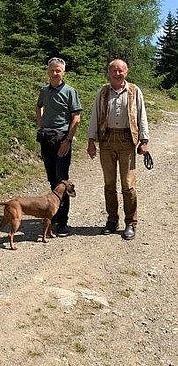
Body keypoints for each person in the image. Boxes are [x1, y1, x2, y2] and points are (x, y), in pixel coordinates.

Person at [87, 59, 149, 240]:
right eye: (114, 70)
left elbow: (141, 114)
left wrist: (144, 140)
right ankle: (112, 220)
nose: (117, 73)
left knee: (128, 185)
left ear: (126, 72)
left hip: (126, 140)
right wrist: (91, 140)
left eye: (120, 70)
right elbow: (95, 115)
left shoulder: (134, 91)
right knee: (109, 184)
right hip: (106, 141)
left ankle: (130, 222)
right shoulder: (103, 92)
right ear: (109, 72)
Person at [36, 57, 82, 237]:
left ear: (63, 73)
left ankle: (62, 222)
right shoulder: (44, 91)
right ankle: (53, 216)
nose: (55, 73)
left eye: (58, 70)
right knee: (51, 179)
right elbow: (38, 107)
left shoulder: (70, 92)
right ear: (48, 71)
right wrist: (41, 124)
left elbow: (76, 117)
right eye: (52, 70)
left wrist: (68, 140)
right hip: (47, 138)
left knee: (62, 181)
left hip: (62, 139)